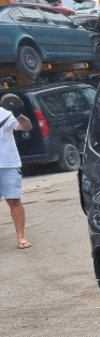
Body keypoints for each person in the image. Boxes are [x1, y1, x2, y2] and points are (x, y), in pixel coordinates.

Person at [0, 93, 32, 249]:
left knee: (14, 200)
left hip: (8, 164)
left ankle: (21, 237)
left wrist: (18, 114)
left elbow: (26, 127)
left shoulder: (4, 114)